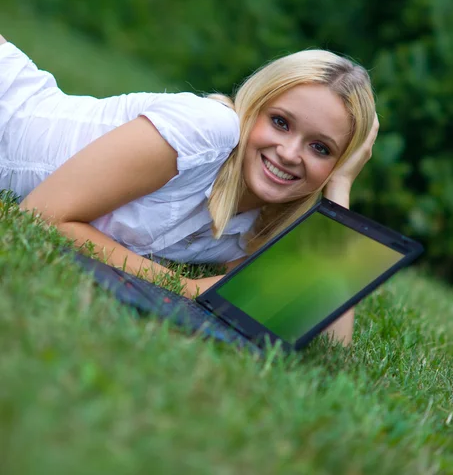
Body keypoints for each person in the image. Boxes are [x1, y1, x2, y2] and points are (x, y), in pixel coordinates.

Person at [0, 34, 378, 344]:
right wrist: (182, 286)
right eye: (280, 122)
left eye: (321, 148)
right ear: (255, 106)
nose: (290, 153)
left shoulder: (261, 225)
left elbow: (333, 342)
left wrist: (340, 187)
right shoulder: (209, 129)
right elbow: (41, 213)